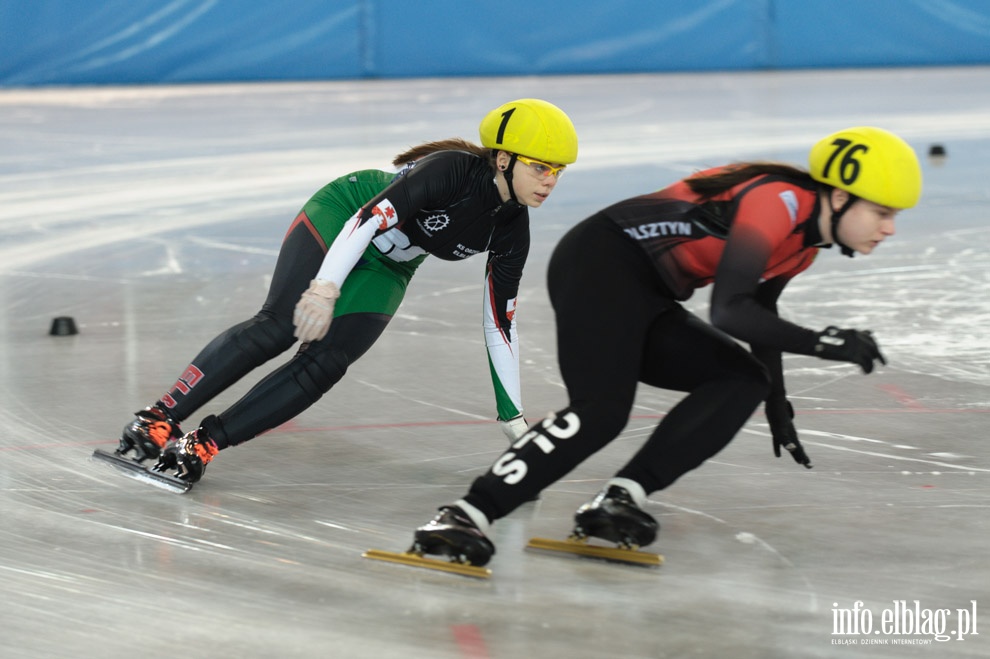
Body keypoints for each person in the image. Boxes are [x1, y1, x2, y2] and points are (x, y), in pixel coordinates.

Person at [408, 126, 923, 567]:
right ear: (837, 197)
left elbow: (757, 318)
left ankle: (619, 500)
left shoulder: (803, 245)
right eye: (881, 211)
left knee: (743, 379)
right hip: (601, 263)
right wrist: (825, 342)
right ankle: (466, 514)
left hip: (647, 292)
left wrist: (776, 401)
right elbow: (728, 309)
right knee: (602, 411)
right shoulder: (777, 200)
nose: (889, 227)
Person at [112, 98, 579, 484]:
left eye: (558, 171)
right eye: (540, 167)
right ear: (503, 159)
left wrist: (512, 419)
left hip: (390, 264)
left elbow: (499, 324)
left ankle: (205, 442)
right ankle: (158, 418)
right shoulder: (451, 170)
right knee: (279, 325)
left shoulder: (513, 230)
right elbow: (367, 221)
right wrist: (324, 288)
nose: (550, 181)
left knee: (326, 364)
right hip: (346, 214)